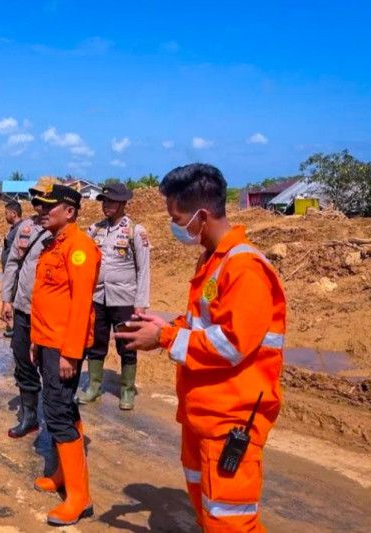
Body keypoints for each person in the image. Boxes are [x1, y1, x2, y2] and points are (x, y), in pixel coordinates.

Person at [115, 164, 286, 532]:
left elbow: (232, 345)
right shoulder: (212, 259)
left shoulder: (245, 268)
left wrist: (163, 339)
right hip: (203, 413)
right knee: (208, 511)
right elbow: (204, 324)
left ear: (202, 214)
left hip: (231, 418)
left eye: (178, 218)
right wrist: (167, 327)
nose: (177, 226)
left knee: (231, 522)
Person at [29, 184, 101, 526]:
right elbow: (45, 299)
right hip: (48, 341)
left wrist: (71, 355)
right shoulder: (52, 244)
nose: (41, 211)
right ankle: (61, 475)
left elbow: (81, 305)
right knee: (62, 408)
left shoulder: (79, 248)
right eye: (39, 206)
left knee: (56, 412)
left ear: (69, 211)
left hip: (64, 347)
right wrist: (35, 339)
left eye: (48, 206)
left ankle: (79, 499)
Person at [78, 182, 151, 410]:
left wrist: (141, 303)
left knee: (127, 345)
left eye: (111, 202)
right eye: (104, 201)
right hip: (98, 297)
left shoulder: (135, 231)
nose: (106, 206)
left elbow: (144, 268)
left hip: (125, 299)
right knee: (96, 343)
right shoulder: (95, 230)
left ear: (122, 203)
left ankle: (127, 390)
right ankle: (95, 386)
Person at [0, 177, 57, 438]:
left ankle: (57, 419)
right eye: (36, 200)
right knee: (23, 360)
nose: (40, 206)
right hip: (23, 308)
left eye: (46, 200)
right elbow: (12, 263)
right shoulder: (25, 229)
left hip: (51, 315)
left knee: (51, 368)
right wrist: (6, 299)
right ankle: (30, 415)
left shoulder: (64, 232)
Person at [1, 201, 23, 338]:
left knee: (12, 299)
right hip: (10, 272)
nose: (5, 216)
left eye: (6, 213)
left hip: (16, 274)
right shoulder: (14, 229)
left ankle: (13, 328)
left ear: (13, 214)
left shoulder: (21, 230)